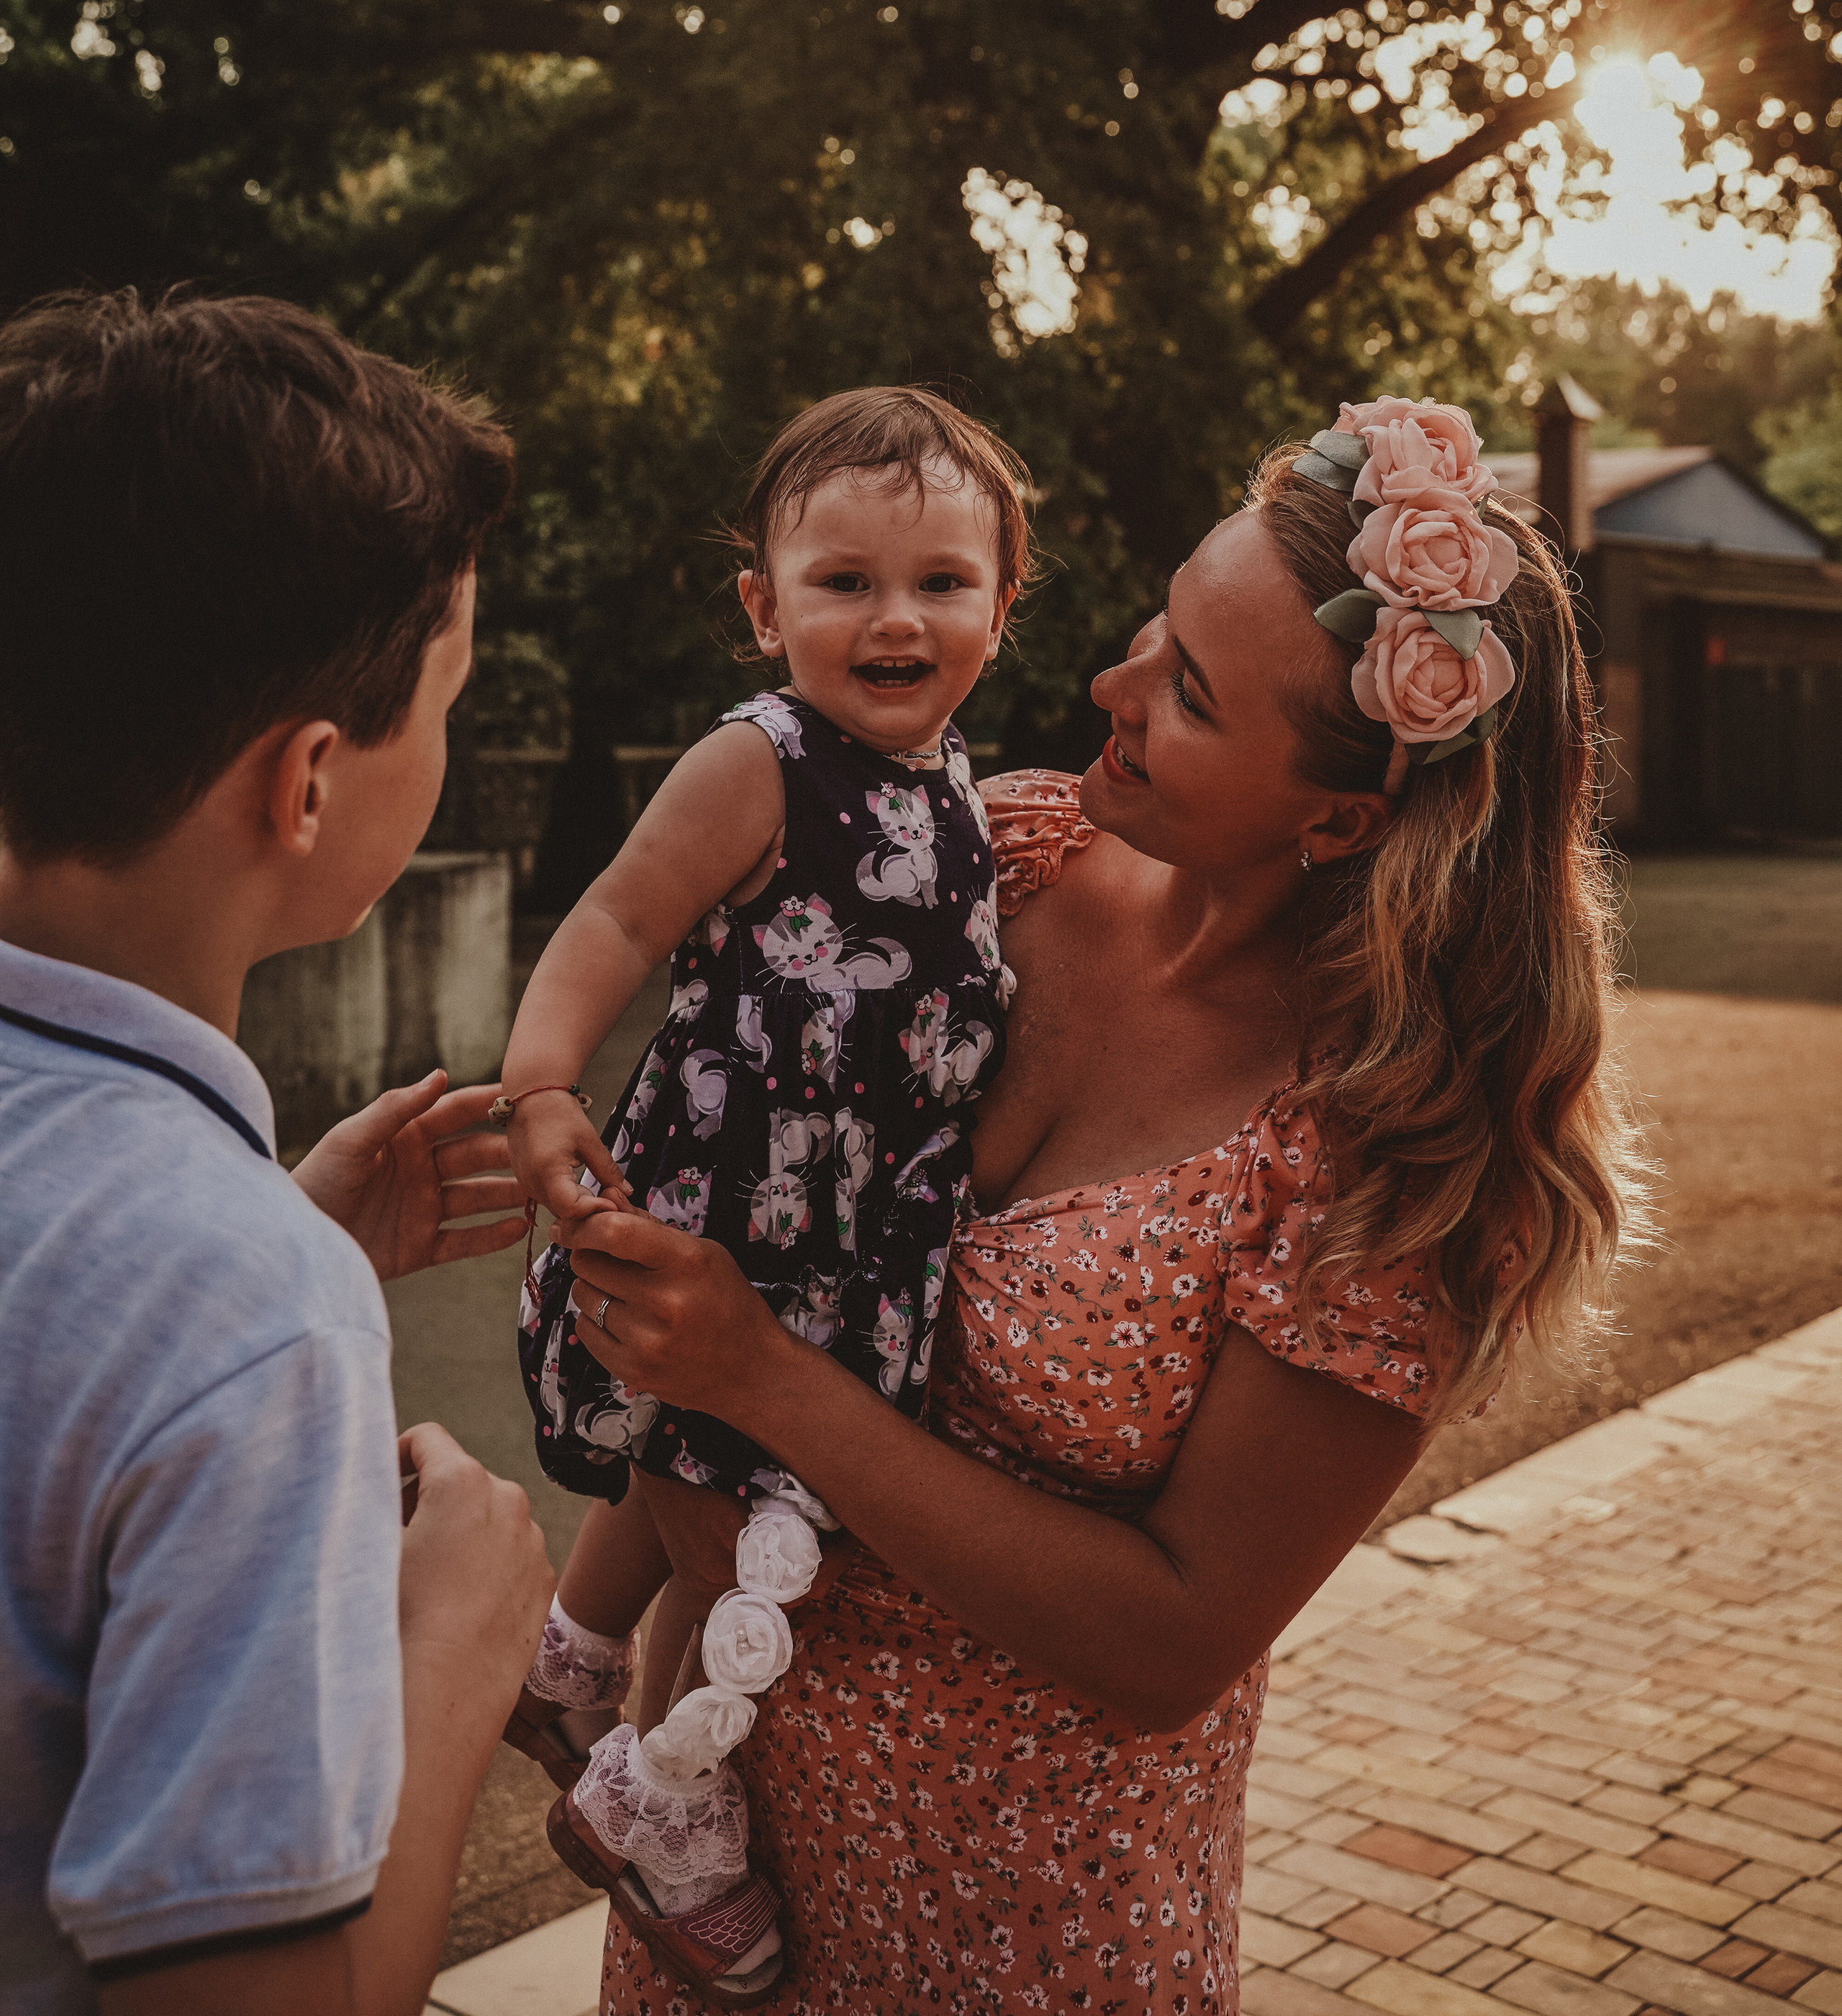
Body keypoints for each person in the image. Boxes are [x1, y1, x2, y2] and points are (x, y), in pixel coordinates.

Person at [557, 396, 1643, 2016]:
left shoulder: (1396, 1164)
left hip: (1022, 1916)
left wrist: (756, 1376)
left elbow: (1170, 1641)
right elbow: (738, 1080)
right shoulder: (999, 854)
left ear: (1338, 818)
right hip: (714, 1858)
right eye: (1155, 628)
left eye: (1188, 696)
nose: (1106, 689)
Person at [0, 291, 555, 2016]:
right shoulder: (250, 1305)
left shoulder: (211, 1266)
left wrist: (248, 1241)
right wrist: (453, 1652)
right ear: (306, 783)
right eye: (443, 704)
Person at [499, 390, 1030, 2003]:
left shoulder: (957, 793)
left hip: (857, 1237)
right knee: (733, 1522)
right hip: (730, 1210)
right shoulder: (761, 763)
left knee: (705, 1479)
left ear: (1003, 605)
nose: (894, 616)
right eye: (843, 580)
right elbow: (610, 921)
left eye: (941, 579)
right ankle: (676, 1794)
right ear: (764, 606)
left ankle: (578, 1677)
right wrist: (539, 1088)